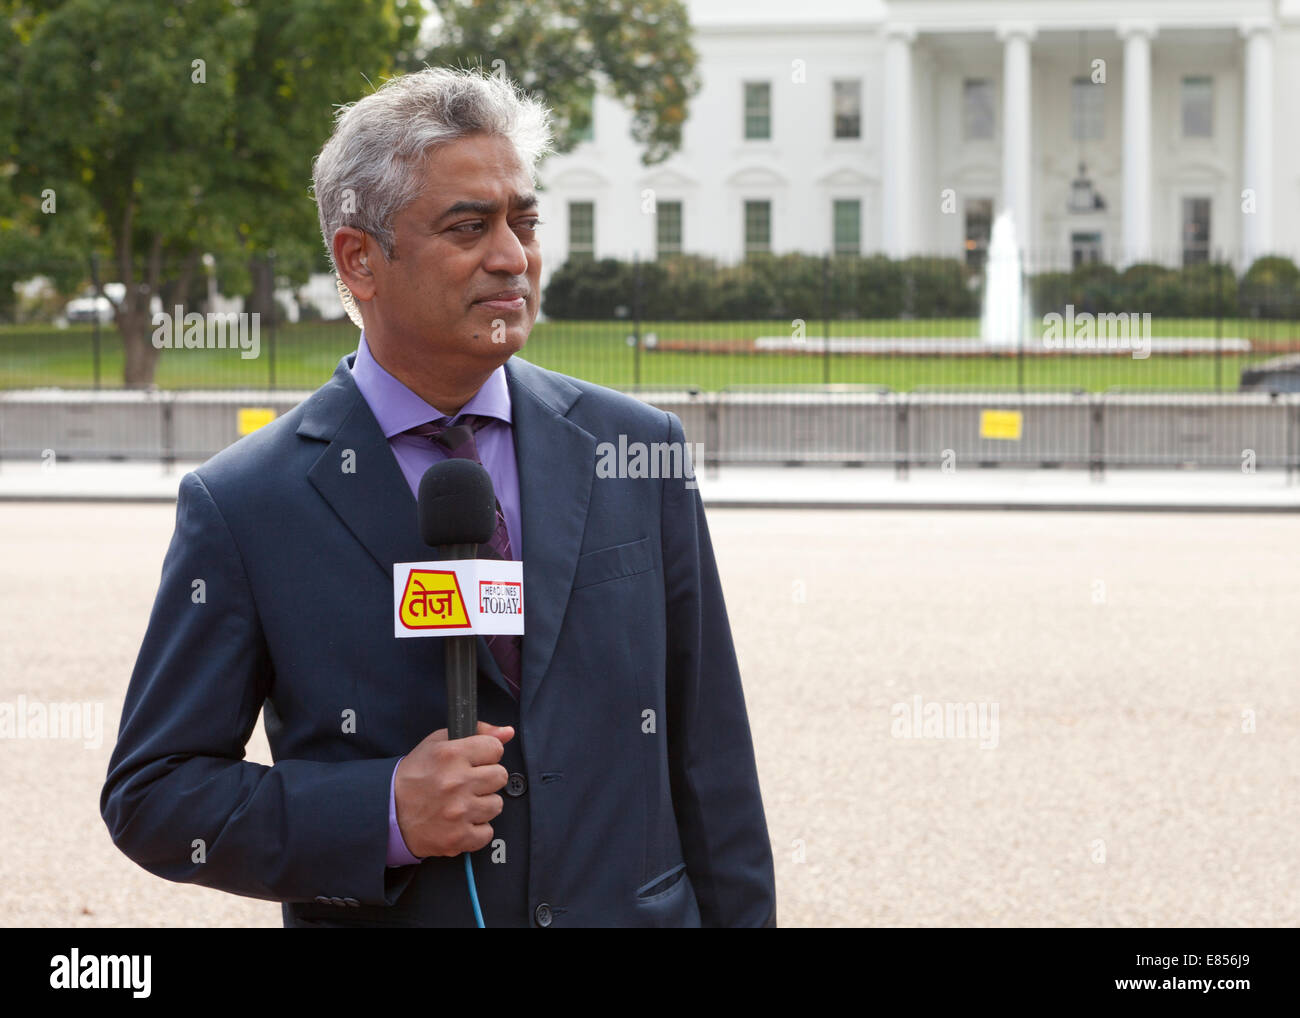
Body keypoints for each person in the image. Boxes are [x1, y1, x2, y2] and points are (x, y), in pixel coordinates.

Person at [100, 66, 776, 928]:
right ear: (360, 260)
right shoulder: (244, 503)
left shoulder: (638, 451)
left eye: (524, 222)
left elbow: (710, 755)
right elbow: (154, 794)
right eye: (470, 226)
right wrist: (383, 811)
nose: (513, 256)